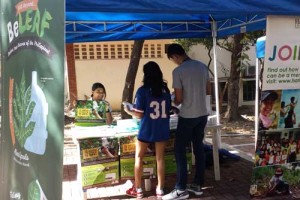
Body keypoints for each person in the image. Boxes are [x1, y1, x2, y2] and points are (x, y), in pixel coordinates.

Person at [163, 43, 211, 200]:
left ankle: (180, 188)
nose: (174, 62)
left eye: (173, 59)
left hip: (188, 116)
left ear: (175, 56)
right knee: (198, 148)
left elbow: (178, 99)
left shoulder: (178, 71)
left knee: (179, 150)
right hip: (203, 114)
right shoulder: (203, 67)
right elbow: (208, 91)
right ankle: (197, 185)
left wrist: (171, 103)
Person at [124, 61, 171, 199]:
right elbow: (168, 109)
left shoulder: (142, 91)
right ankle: (160, 189)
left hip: (146, 129)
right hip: (162, 129)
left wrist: (129, 110)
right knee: (160, 159)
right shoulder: (165, 90)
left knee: (139, 158)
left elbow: (139, 113)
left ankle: (138, 189)